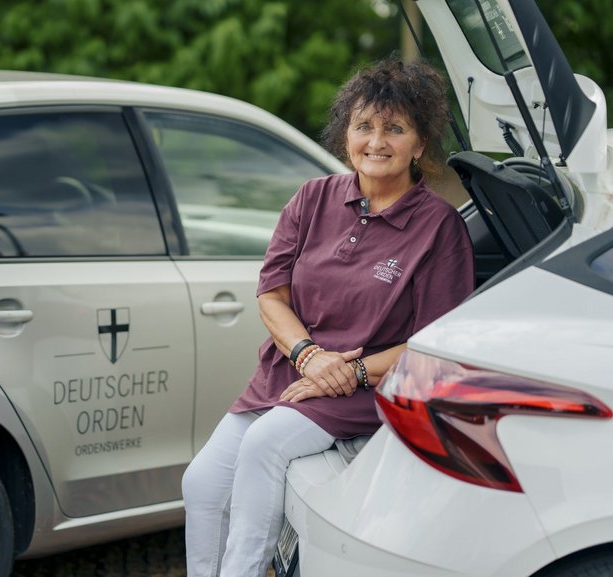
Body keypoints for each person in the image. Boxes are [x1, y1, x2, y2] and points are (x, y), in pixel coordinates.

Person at [181, 56, 475, 577]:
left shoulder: (439, 227)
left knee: (265, 447)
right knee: (201, 483)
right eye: (364, 126)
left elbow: (432, 344)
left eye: (395, 128)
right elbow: (272, 295)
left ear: (420, 144)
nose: (376, 141)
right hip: (290, 371)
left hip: (367, 389)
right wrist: (310, 356)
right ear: (346, 136)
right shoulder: (312, 198)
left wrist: (350, 373)